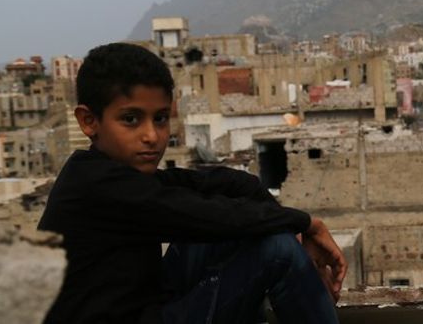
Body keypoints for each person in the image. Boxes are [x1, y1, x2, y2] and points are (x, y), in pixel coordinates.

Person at [38, 43, 344, 323]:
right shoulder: (95, 186)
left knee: (244, 232)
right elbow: (211, 215)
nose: (151, 136)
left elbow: (224, 184)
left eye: (160, 119)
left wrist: (291, 231)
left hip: (147, 308)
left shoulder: (121, 176)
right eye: (131, 120)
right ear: (89, 121)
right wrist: (306, 225)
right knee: (276, 250)